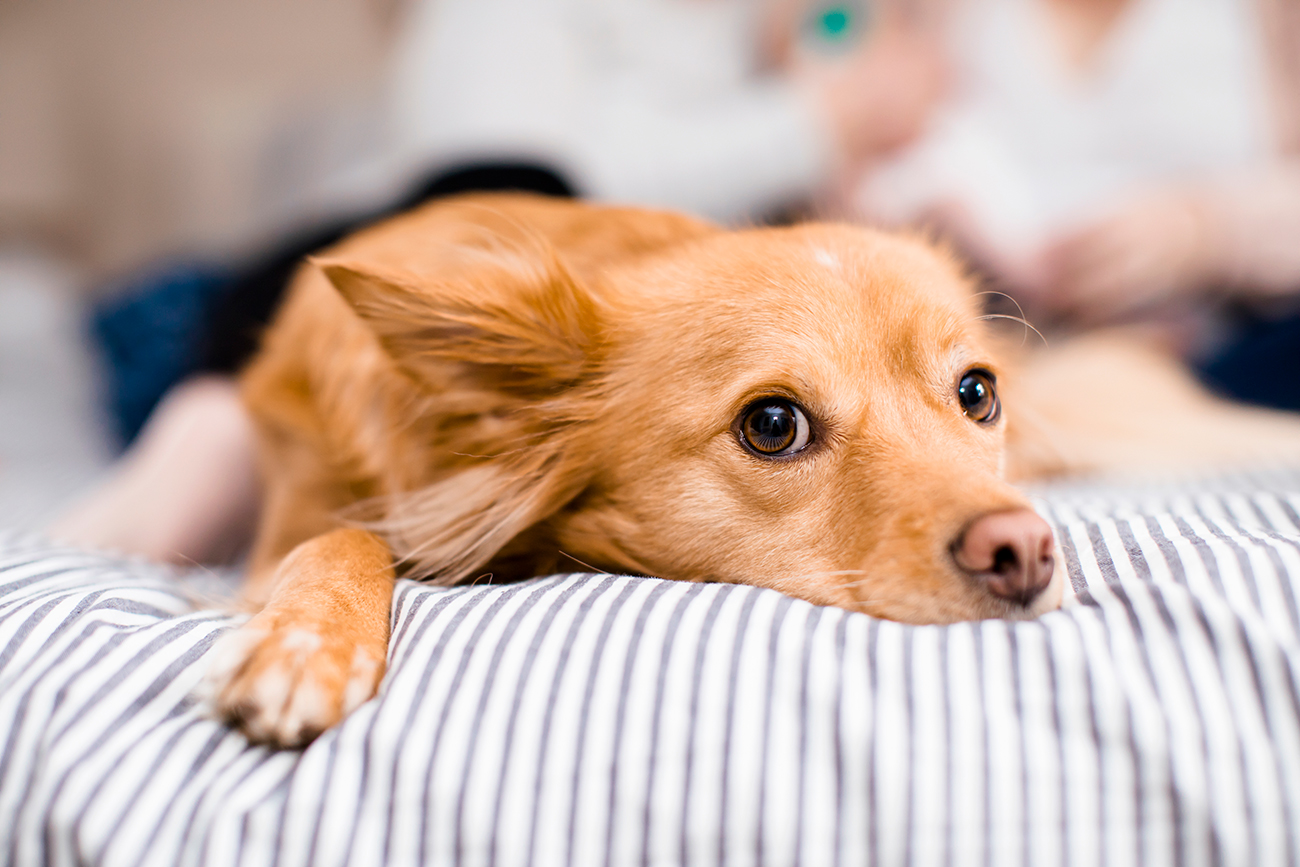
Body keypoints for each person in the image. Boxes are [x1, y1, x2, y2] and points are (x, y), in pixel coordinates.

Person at [59, 0, 950, 563]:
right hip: (266, 308)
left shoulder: (796, 31)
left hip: (609, 372)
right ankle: (210, 427)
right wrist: (813, 122)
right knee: (504, 191)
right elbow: (500, 187)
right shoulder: (498, 17)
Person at [848, 0, 1300, 410]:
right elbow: (853, 158)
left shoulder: (1269, 14)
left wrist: (1207, 232)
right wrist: (931, 223)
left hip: (1230, 353)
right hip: (996, 356)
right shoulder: (933, 15)